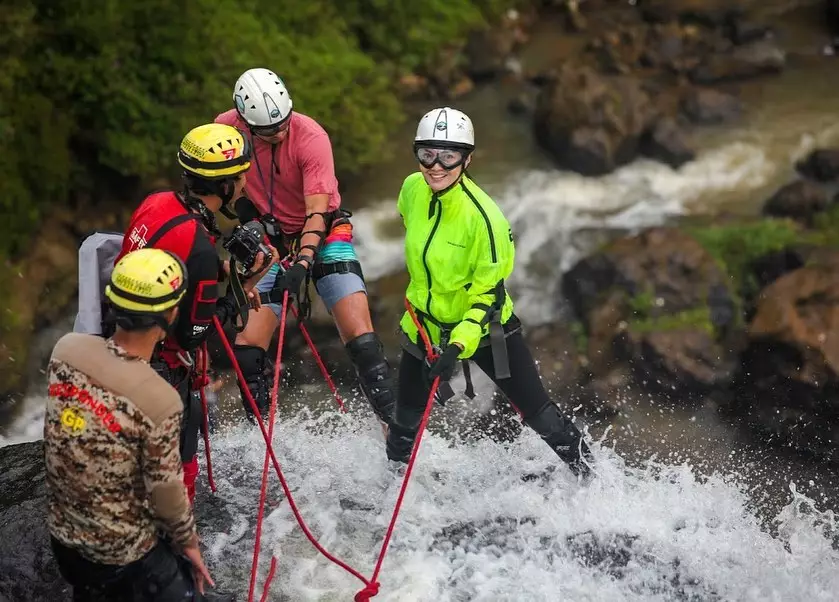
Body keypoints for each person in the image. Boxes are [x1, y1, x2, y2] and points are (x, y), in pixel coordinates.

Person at [386, 107, 594, 478]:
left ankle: (592, 476)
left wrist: (456, 346)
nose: (436, 166)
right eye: (427, 154)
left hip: (483, 332)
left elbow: (488, 294)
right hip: (424, 328)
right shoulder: (412, 190)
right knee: (405, 418)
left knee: (538, 412)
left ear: (467, 160)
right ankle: (393, 479)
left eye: (448, 156)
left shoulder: (486, 220)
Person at [44, 248, 232, 601]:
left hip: (64, 542)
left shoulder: (65, 348)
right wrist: (189, 543)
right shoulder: (158, 398)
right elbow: (166, 493)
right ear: (171, 314)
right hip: (122, 557)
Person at [214, 67, 395, 430]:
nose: (279, 132)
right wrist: (252, 224)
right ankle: (263, 438)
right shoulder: (225, 130)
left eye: (282, 123)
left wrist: (303, 264)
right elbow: (225, 186)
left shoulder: (310, 137)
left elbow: (318, 212)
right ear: (246, 124)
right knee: (247, 353)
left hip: (325, 233)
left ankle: (398, 432)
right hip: (271, 239)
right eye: (268, 130)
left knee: (364, 344)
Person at [115, 122, 274, 503]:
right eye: (241, 177)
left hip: (122, 337)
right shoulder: (199, 249)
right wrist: (245, 289)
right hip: (160, 369)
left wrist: (224, 274)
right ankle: (180, 539)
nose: (244, 185)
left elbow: (165, 261)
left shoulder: (157, 203)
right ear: (225, 186)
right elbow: (194, 335)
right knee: (180, 453)